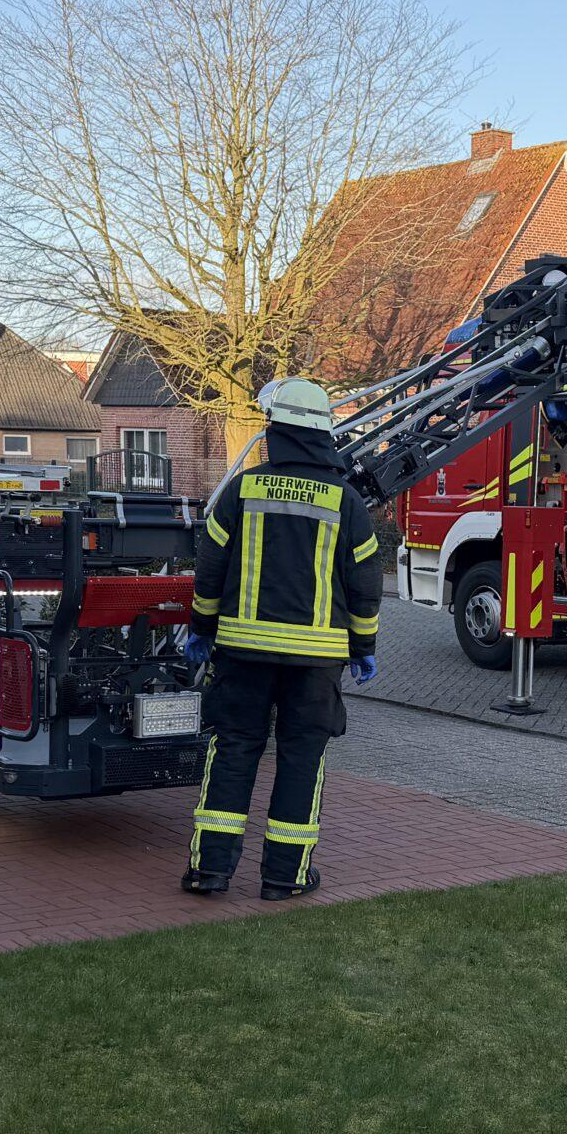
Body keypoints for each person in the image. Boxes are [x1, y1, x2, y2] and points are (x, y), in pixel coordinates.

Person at [182, 378, 383, 899]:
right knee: (301, 759)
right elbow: (365, 585)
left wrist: (202, 628)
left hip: (242, 653)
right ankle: (284, 877)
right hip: (316, 663)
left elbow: (210, 568)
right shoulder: (346, 501)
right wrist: (363, 649)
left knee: (233, 751)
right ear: (323, 434)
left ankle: (210, 870)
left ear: (277, 430)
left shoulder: (242, 490)